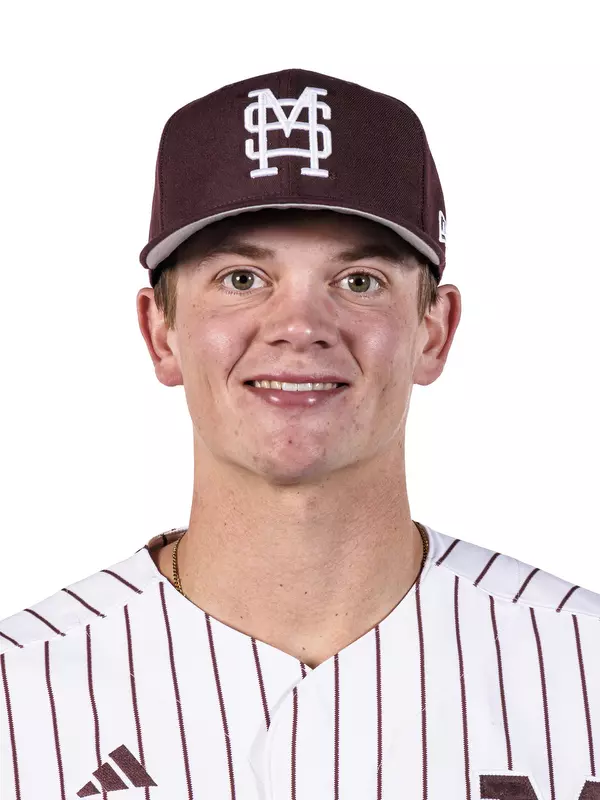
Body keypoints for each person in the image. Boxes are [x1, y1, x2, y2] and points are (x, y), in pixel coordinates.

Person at [1, 68, 598, 800]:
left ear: (433, 332)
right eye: (243, 279)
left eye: (359, 282)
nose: (300, 329)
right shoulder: (18, 695)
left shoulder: (583, 669)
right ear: (160, 332)